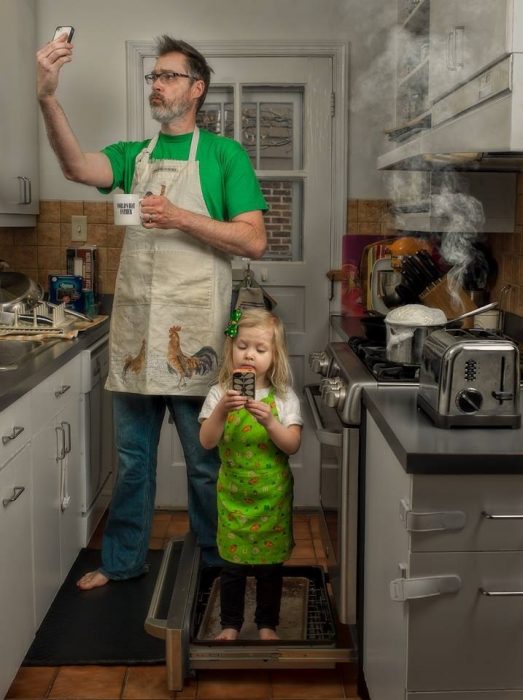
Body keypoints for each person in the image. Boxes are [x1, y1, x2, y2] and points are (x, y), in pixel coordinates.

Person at [36, 34, 268, 589]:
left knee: (207, 467)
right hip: (138, 340)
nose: (157, 85)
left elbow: (254, 241)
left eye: (168, 76)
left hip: (202, 342)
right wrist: (47, 96)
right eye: (153, 77)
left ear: (197, 88)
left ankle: (217, 569)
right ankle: (121, 563)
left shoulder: (222, 155)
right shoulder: (131, 156)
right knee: (134, 465)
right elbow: (74, 167)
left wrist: (180, 216)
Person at [199, 308, 302, 640]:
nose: (250, 354)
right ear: (231, 348)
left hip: (271, 498)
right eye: (243, 346)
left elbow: (292, 446)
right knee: (232, 567)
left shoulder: (284, 398)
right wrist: (219, 411)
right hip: (233, 496)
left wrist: (271, 422)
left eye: (260, 349)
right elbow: (206, 442)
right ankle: (230, 625)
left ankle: (267, 625)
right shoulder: (218, 394)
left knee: (270, 569)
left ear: (274, 356)